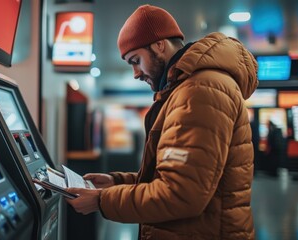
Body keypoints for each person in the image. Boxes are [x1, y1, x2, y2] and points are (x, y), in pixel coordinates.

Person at [65, 4, 258, 239]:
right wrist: (115, 182)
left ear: (159, 44)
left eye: (136, 60)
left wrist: (101, 201)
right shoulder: (186, 89)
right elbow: (177, 177)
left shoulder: (200, 90)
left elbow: (181, 194)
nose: (136, 73)